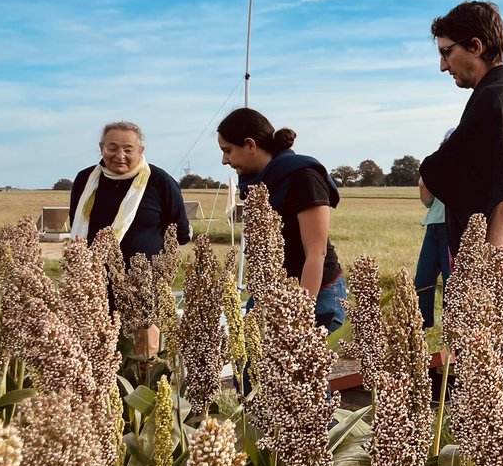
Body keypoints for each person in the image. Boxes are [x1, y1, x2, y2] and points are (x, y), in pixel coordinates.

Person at [419, 1, 503, 377]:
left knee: (490, 384)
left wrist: (484, 279)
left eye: (447, 52)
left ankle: (502, 439)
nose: (443, 66)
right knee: (490, 376)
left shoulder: (496, 99)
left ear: (476, 47)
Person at [216, 108, 346, 333]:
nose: (224, 160)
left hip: (315, 294)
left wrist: (299, 317)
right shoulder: (253, 183)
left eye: (227, 150)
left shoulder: (304, 177)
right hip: (270, 291)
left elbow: (316, 252)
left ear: (250, 145)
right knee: (253, 367)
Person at [69, 120, 191, 356]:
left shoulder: (159, 181)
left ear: (141, 151)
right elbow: (77, 222)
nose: (120, 156)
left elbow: (179, 234)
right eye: (112, 148)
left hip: (144, 288)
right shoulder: (86, 180)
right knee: (97, 351)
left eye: (128, 149)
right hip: (95, 285)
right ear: (101, 147)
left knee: (143, 355)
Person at [414, 185, 451, 328]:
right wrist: (423, 180)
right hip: (433, 225)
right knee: (422, 283)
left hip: (455, 224)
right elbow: (428, 202)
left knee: (452, 284)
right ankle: (417, 338)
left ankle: (454, 337)